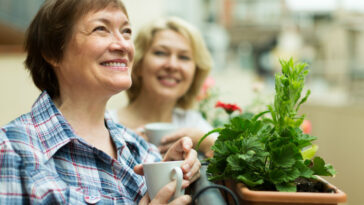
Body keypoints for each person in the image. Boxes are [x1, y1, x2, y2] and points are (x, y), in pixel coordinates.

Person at [0, 0, 200, 204]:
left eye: (126, 31)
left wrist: (169, 176)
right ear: (53, 52)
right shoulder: (11, 149)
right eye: (101, 29)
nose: (123, 45)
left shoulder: (144, 151)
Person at [110, 17, 217, 157]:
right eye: (160, 53)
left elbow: (239, 164)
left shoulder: (194, 124)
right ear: (138, 64)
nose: (172, 65)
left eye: (184, 57)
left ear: (195, 72)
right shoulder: (108, 124)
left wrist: (203, 141)